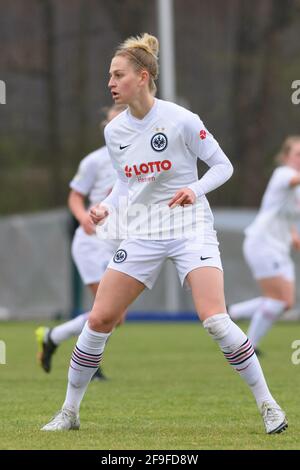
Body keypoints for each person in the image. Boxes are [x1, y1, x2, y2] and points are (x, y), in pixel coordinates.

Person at [41, 33, 287, 434]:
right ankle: (68, 413)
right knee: (101, 318)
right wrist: (106, 205)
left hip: (191, 228)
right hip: (142, 231)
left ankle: (269, 405)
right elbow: (125, 187)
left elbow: (223, 167)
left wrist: (195, 188)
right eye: (109, 75)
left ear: (142, 76)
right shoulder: (115, 132)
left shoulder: (181, 120)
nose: (111, 82)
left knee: (214, 319)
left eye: (118, 75)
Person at [35, 103, 127, 380]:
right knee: (108, 312)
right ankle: (89, 364)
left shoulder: (138, 160)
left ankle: (53, 337)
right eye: (111, 124)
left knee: (115, 315)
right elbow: (75, 196)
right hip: (92, 242)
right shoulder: (95, 161)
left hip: (118, 244)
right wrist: (82, 216)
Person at [229, 136, 300, 353]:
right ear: (286, 157)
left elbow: (289, 222)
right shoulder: (283, 174)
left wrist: (294, 237)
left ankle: (233, 312)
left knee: (284, 303)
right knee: (279, 300)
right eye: (297, 154)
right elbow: (293, 181)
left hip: (277, 247)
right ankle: (249, 346)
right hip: (262, 243)